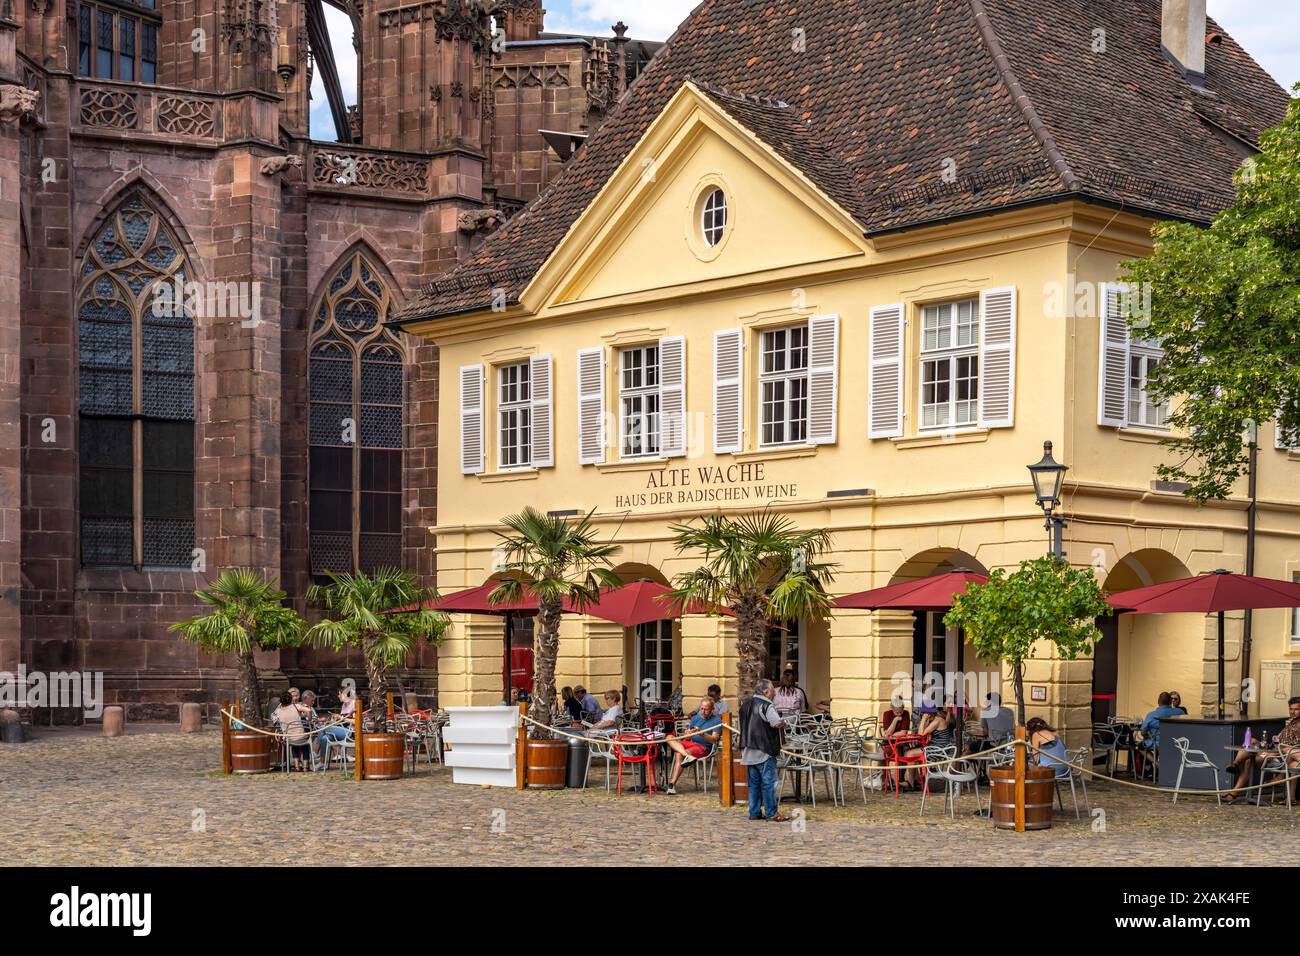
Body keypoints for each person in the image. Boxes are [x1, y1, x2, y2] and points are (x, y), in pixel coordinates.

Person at [1224, 696, 1300, 804]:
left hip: (1280, 757)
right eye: (1291, 709)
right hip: (1273, 750)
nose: (1293, 712)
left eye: (1296, 709)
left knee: (1249, 760)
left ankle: (1233, 793)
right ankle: (1235, 764)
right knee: (1252, 741)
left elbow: (1292, 748)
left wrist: (1280, 748)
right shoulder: (1291, 723)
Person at [741, 679, 789, 822]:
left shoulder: (745, 705)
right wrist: (784, 723)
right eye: (773, 690)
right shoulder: (767, 706)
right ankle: (771, 812)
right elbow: (776, 723)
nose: (775, 693)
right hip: (764, 750)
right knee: (769, 783)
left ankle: (754, 812)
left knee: (754, 784)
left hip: (748, 750)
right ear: (766, 692)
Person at [664, 697, 723, 794]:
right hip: (690, 743)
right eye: (701, 708)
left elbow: (714, 739)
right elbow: (687, 738)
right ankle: (687, 756)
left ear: (712, 709)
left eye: (706, 709)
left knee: (679, 754)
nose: (703, 711)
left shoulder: (716, 720)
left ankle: (672, 784)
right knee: (669, 737)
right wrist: (688, 733)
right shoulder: (696, 718)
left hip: (703, 747)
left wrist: (701, 733)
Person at [315, 688, 353, 770]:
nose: (338, 696)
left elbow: (357, 721)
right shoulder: (344, 705)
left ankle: (315, 752)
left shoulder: (354, 704)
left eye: (340, 694)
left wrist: (342, 718)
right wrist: (335, 719)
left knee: (323, 728)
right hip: (342, 730)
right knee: (325, 738)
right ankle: (322, 763)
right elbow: (342, 720)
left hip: (351, 732)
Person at [273, 691, 311, 771]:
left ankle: (296, 765)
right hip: (301, 736)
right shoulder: (296, 706)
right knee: (305, 745)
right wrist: (309, 719)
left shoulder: (278, 711)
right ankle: (305, 766)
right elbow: (309, 710)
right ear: (291, 699)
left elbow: (276, 722)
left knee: (294, 743)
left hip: (289, 738)